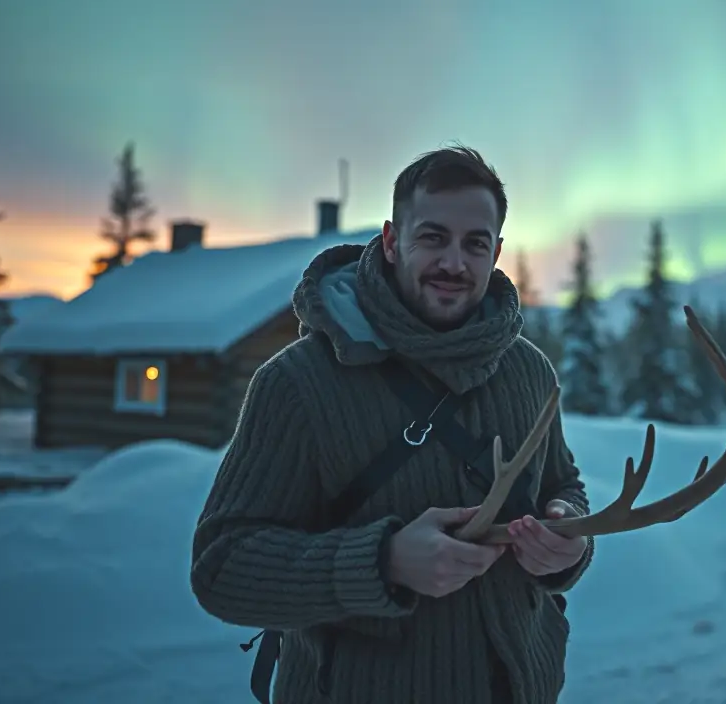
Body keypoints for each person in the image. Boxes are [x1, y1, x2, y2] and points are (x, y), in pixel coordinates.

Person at [190, 146, 593, 704]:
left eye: (475, 243)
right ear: (390, 240)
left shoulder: (527, 370)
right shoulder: (299, 383)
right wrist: (384, 562)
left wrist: (568, 536)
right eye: (432, 237)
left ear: (496, 252)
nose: (454, 262)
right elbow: (223, 569)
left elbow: (561, 487)